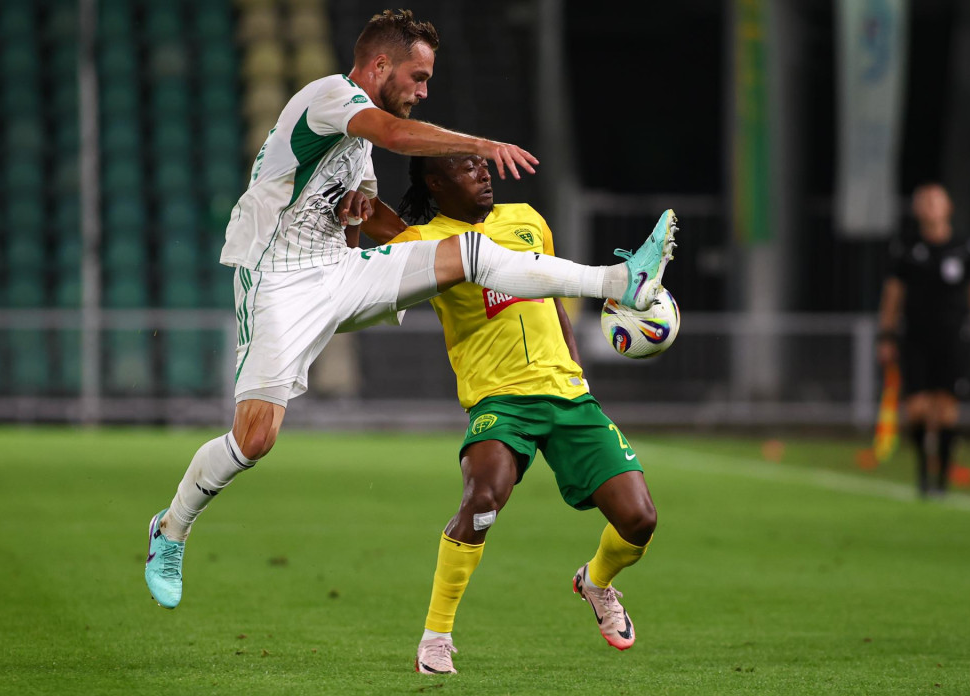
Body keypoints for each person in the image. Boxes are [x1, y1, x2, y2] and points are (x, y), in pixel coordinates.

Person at [144, 9, 676, 610]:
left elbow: (369, 234)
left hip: (338, 275)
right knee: (254, 440)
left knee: (472, 252)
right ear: (378, 66)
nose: (423, 92)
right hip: (278, 284)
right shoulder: (328, 97)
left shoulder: (358, 152)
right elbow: (397, 136)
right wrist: (482, 144)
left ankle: (619, 280)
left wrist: (353, 221)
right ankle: (172, 529)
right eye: (417, 78)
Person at [385, 155, 675, 675]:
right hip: (498, 399)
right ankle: (436, 637)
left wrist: (576, 364)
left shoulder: (527, 218)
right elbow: (379, 259)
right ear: (436, 183)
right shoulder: (424, 243)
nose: (484, 173)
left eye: (483, 165)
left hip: (566, 392)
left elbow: (553, 295)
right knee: (482, 499)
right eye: (468, 168)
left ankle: (596, 583)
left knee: (640, 520)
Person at [876, 182, 970, 498]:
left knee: (945, 409)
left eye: (936, 201)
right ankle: (922, 470)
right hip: (915, 338)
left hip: (954, 338)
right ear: (917, 210)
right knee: (916, 409)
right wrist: (886, 334)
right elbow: (893, 294)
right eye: (924, 201)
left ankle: (941, 479)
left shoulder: (965, 249)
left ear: (948, 208)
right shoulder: (906, 249)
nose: (930, 206)